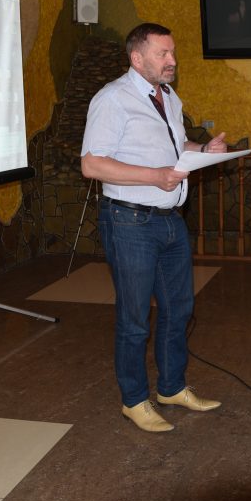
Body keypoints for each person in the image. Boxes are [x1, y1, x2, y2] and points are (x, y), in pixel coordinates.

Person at [81, 22, 224, 433]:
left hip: (170, 220)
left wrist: (204, 149)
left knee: (179, 309)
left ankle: (172, 388)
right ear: (136, 57)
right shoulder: (112, 99)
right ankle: (133, 400)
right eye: (162, 54)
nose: (172, 60)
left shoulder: (168, 97)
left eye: (172, 52)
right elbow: (92, 164)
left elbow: (174, 148)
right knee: (135, 319)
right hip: (130, 222)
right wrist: (155, 176)